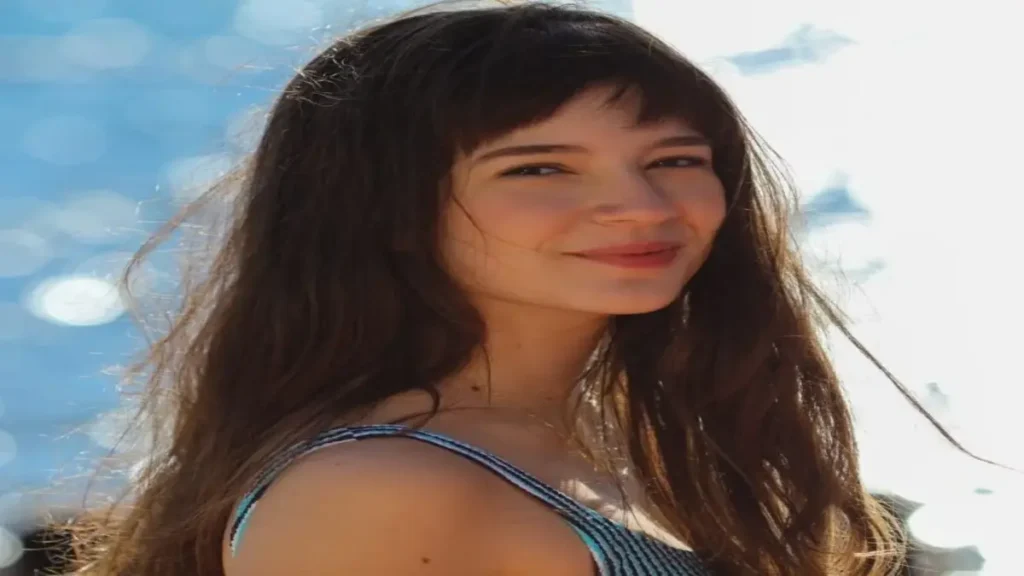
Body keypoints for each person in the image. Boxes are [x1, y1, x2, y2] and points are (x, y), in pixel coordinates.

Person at [66, 2, 946, 575]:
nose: (640, 207)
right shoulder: (382, 489)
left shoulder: (628, 445)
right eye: (540, 168)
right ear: (387, 208)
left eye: (674, 159)